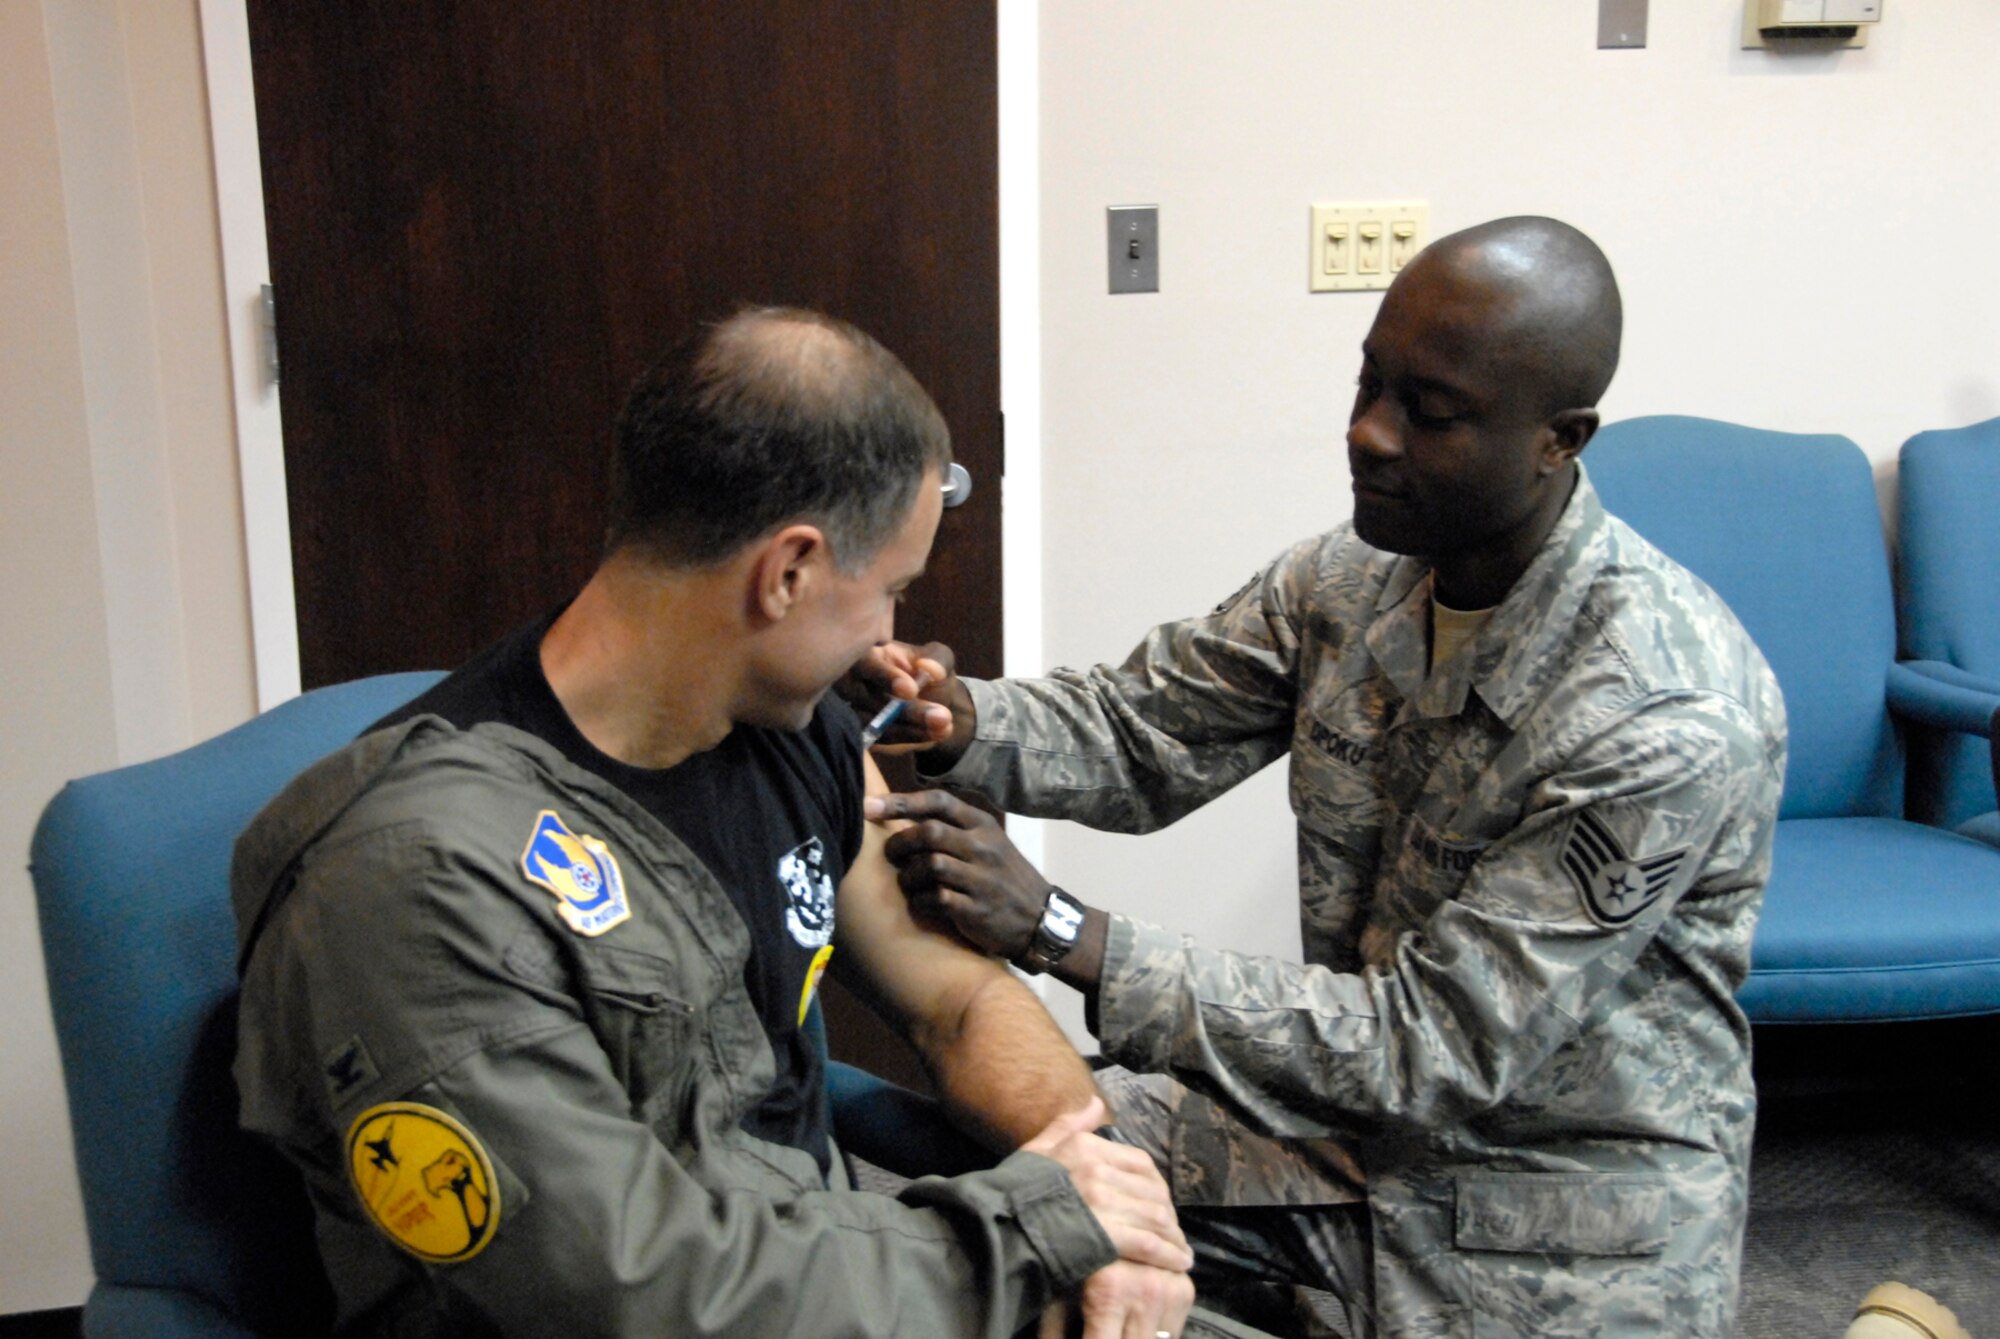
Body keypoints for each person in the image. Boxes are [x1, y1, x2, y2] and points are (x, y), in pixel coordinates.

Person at [859, 218, 1788, 1337]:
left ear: (1559, 440)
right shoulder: (1351, 582)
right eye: (1368, 382)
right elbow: (1141, 728)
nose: (1368, 433)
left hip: (1552, 1216)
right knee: (1011, 1186)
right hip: (1347, 1137)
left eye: (1428, 412)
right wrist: (959, 716)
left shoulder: (1661, 714)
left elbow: (1429, 1046)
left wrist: (1063, 930)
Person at [232, 307, 1195, 1338]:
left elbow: (957, 998)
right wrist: (1034, 1230)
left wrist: (1104, 1198)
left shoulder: (796, 735)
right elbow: (629, 1287)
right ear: (787, 572)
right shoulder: (415, 877)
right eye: (890, 591)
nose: (890, 636)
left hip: (836, 1268)